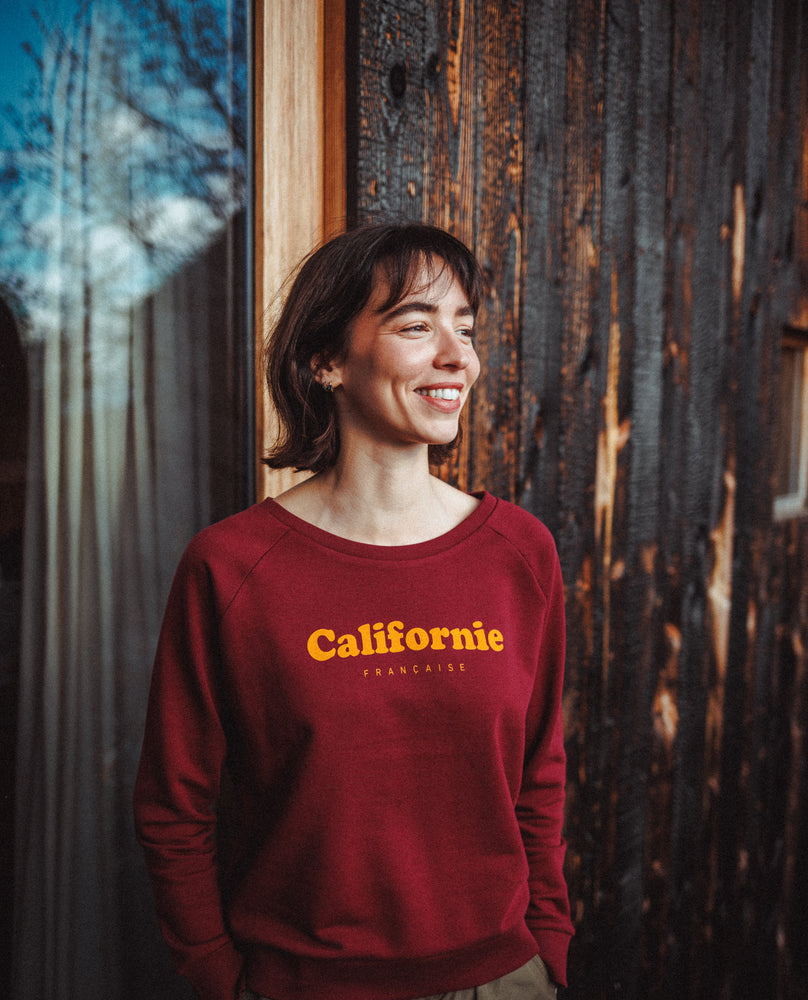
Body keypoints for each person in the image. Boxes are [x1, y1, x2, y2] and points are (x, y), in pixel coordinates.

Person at [133, 222, 574, 1000]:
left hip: (501, 977)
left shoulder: (519, 552)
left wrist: (547, 947)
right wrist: (216, 973)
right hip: (306, 983)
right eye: (417, 326)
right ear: (326, 360)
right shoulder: (232, 567)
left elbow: (538, 775)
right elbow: (174, 807)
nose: (459, 357)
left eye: (466, 329)